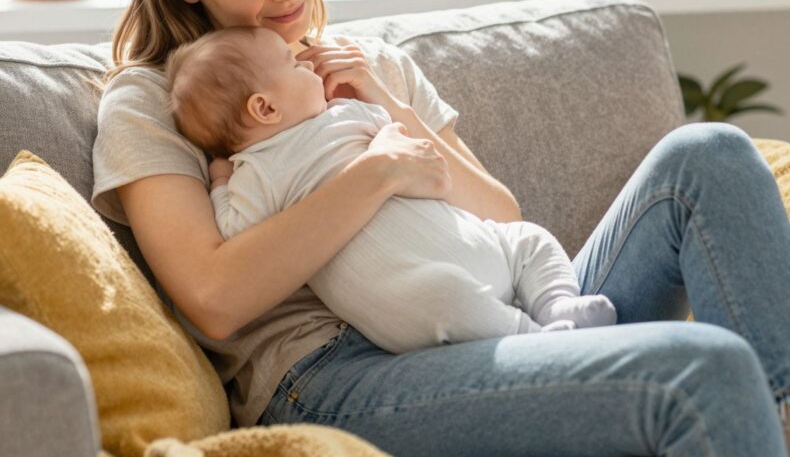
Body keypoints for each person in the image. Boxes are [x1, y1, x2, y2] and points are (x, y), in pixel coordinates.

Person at [92, 0, 790, 457]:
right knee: (704, 367)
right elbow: (214, 297)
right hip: (334, 374)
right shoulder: (151, 101)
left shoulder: (367, 65)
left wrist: (386, 109)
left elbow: (498, 210)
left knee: (710, 154)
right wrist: (375, 172)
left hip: (503, 305)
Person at [164, 25, 618, 353]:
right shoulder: (257, 172)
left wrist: (385, 101)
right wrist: (221, 182)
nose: (306, 64)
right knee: (448, 299)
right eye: (294, 65)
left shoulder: (350, 109)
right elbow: (234, 234)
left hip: (479, 245)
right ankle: (534, 341)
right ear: (265, 108)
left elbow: (441, 174)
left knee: (528, 239)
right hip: (419, 295)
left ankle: (559, 305)